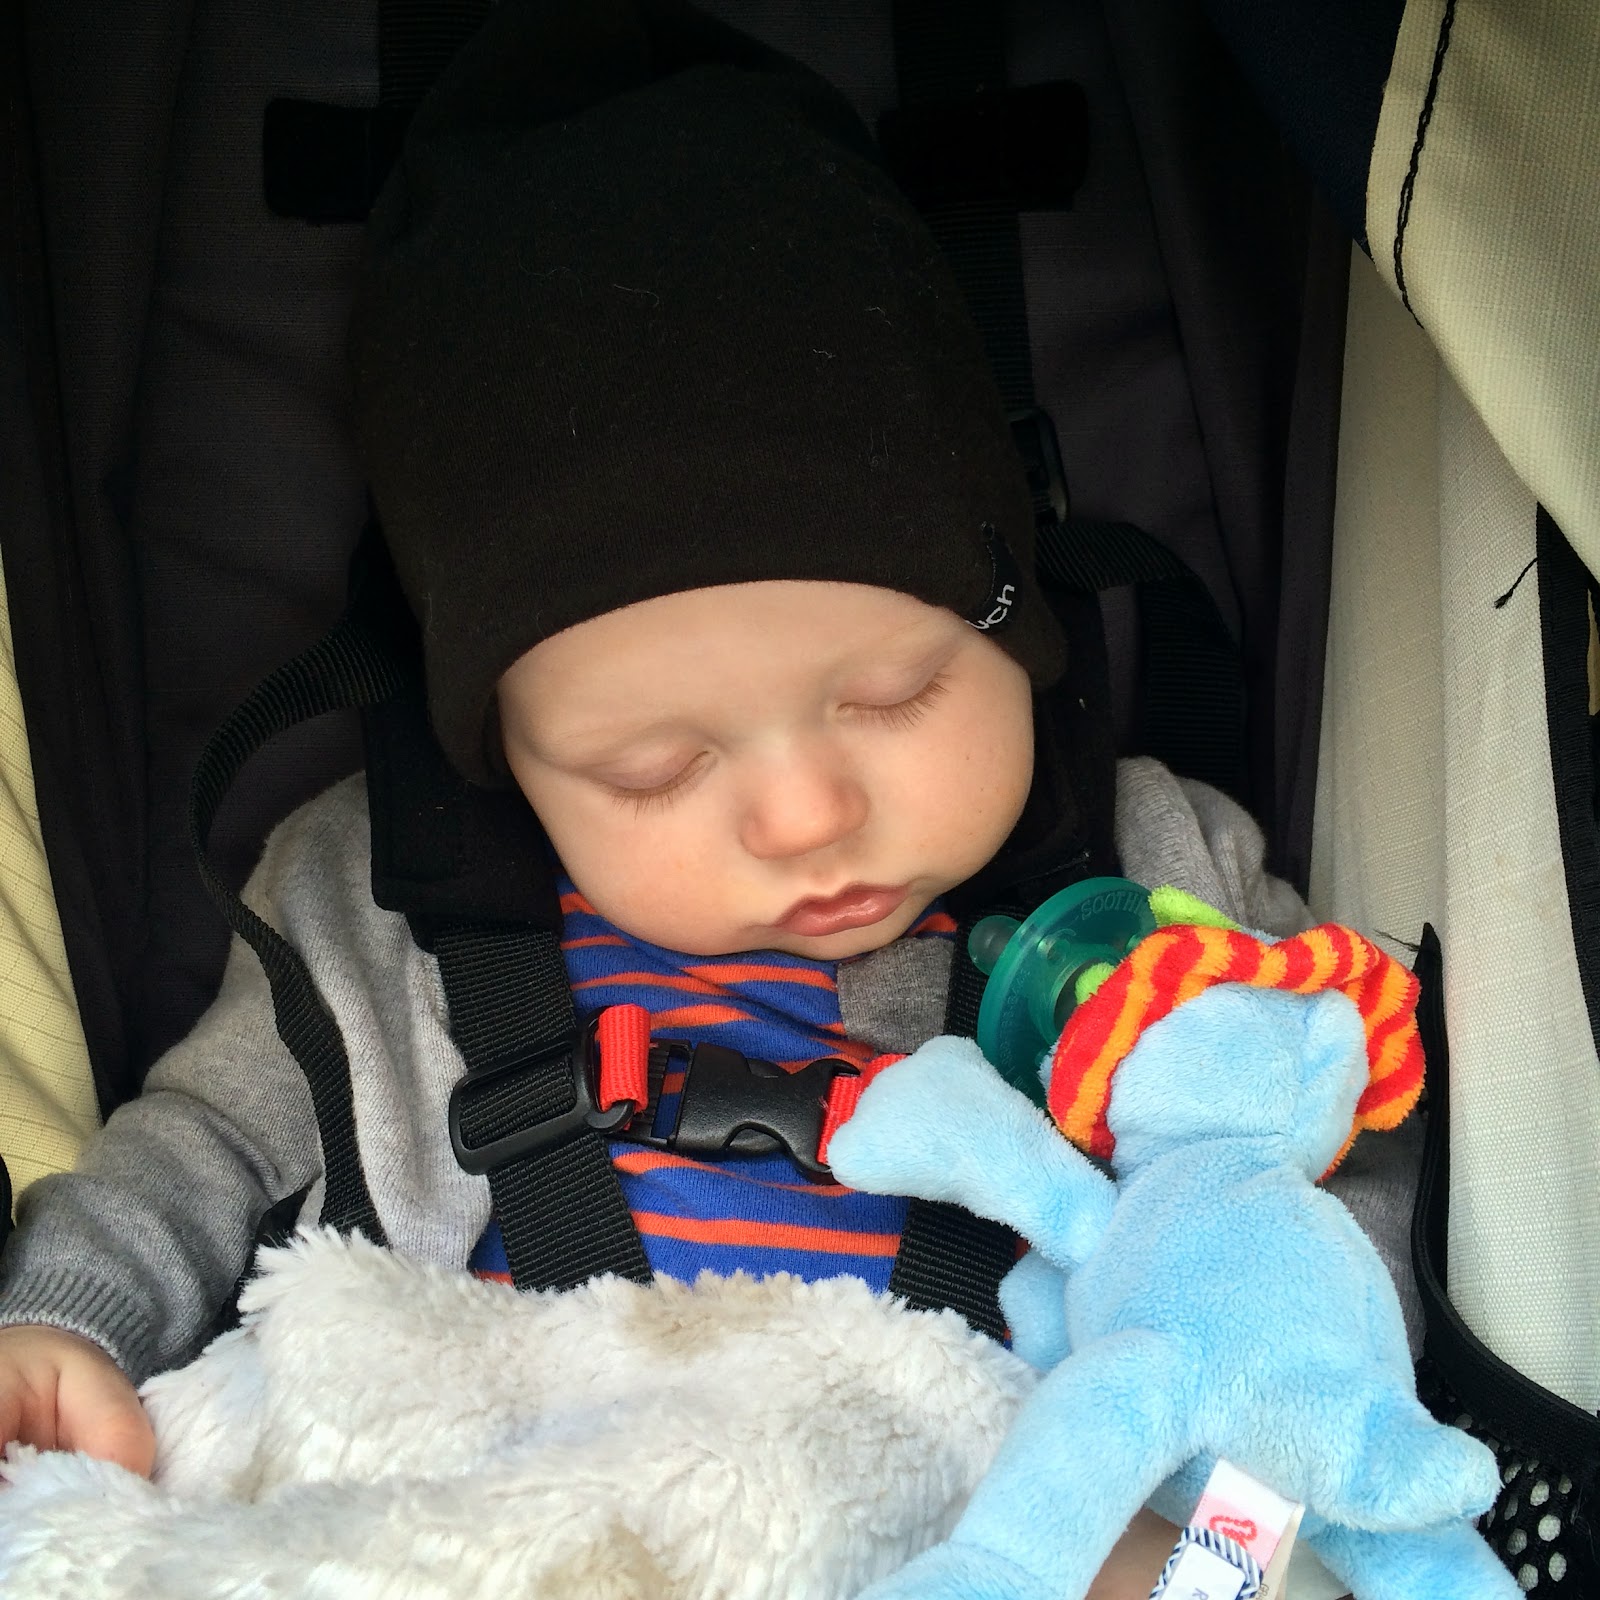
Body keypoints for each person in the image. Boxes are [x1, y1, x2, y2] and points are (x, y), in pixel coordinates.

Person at [0, 5, 1417, 1591]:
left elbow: (1314, 1207)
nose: (806, 816)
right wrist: (67, 1323)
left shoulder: (1158, 881)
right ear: (501, 753)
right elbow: (195, 1149)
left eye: (895, 695)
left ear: (1023, 620)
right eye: (653, 768)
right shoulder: (372, 902)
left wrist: (1217, 1512)